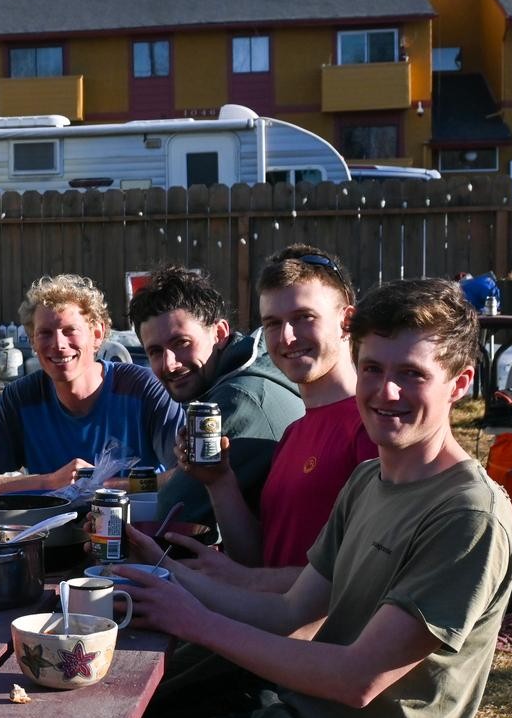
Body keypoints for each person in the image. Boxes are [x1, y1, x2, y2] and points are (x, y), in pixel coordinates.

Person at [35, 277, 512, 718]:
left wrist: (195, 620)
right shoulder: (370, 480)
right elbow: (291, 609)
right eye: (372, 368)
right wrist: (169, 575)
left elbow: (356, 679)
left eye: (413, 374)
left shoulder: (466, 514)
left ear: (460, 383)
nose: (385, 391)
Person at [145, 245, 379, 591]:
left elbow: (362, 583)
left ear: (346, 322)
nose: (286, 337)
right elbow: (258, 559)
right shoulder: (295, 432)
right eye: (272, 323)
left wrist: (240, 580)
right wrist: (218, 481)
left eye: (304, 318)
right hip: (265, 628)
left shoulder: (373, 431)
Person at [0, 274, 181, 504]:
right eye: (45, 333)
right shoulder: (21, 400)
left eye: (69, 331)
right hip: (53, 541)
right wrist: (50, 482)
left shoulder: (141, 389)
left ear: (97, 334)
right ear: (31, 341)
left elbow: (188, 475)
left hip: (136, 539)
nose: (58, 344)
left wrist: (114, 486)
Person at [128, 265, 303, 527]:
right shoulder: (254, 372)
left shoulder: (239, 399)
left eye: (181, 343)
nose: (169, 364)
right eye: (154, 351)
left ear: (219, 334)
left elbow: (174, 515)